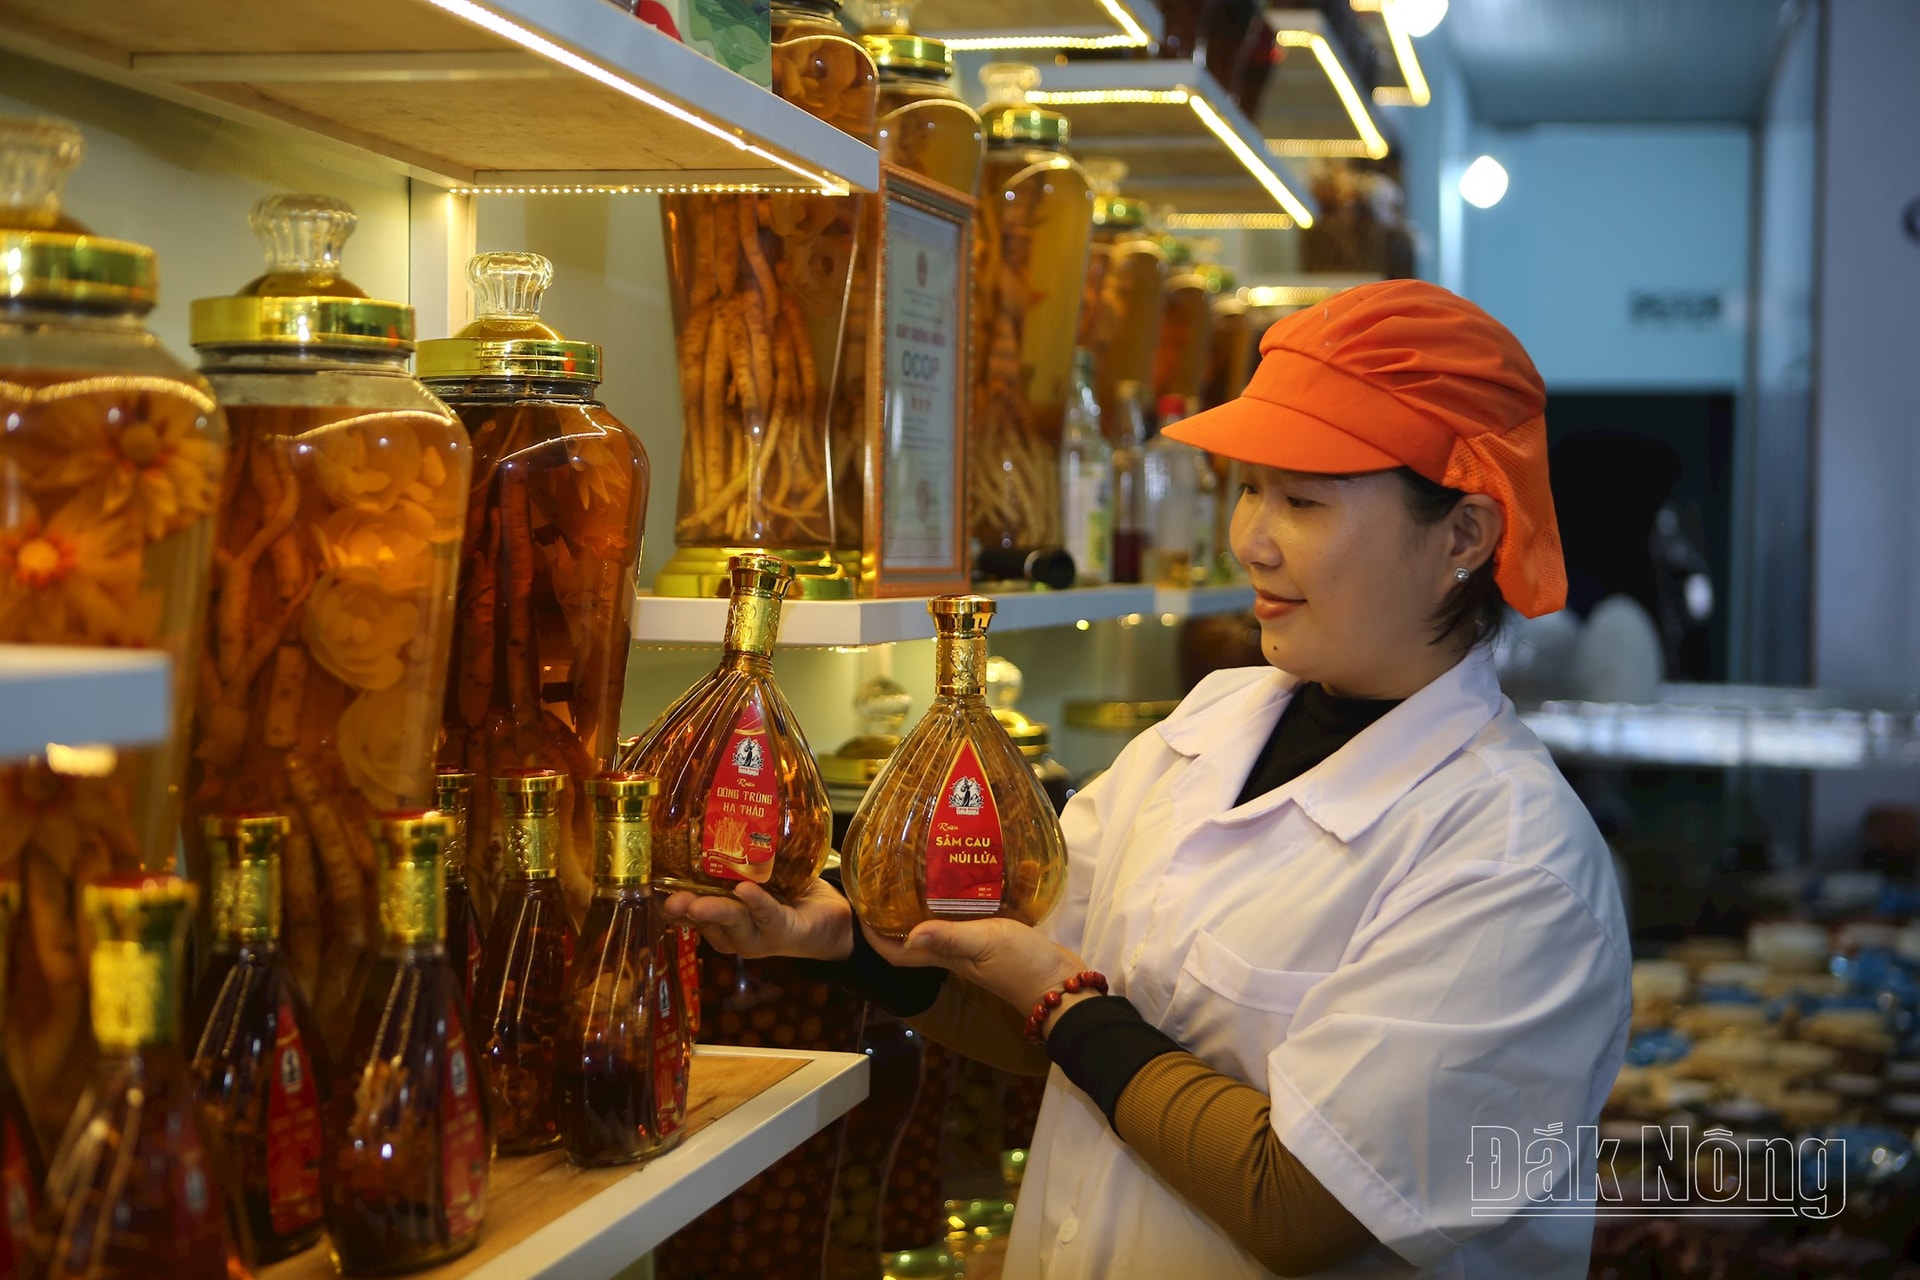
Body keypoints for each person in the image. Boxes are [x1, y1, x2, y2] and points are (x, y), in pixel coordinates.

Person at [665, 279, 1631, 1279]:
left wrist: (1066, 1006)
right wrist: (844, 944)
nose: (1251, 537)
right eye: (1249, 488)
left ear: (1463, 536)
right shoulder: (1207, 726)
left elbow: (1300, 1200)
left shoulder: (1512, 860)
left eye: (1301, 500)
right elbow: (1027, 986)